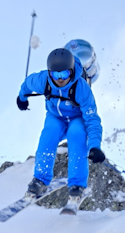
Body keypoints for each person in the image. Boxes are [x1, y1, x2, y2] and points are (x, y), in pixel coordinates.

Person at [16, 48, 105, 204]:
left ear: (71, 71)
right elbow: (27, 84)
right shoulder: (43, 80)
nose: (60, 79)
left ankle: (77, 184)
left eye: (64, 74)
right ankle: (40, 180)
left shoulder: (82, 88)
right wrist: (22, 97)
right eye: (56, 75)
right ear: (49, 72)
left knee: (76, 134)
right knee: (48, 135)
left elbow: (92, 119)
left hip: (76, 118)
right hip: (55, 117)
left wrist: (95, 146)